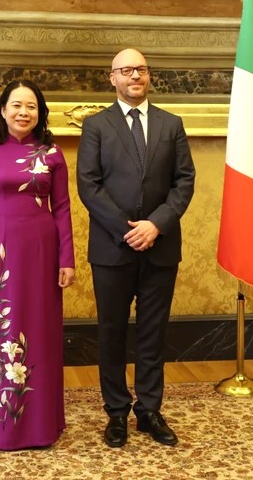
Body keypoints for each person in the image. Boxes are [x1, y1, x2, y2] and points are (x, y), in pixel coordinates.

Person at [76, 48, 195, 448]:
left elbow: (184, 182)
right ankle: (116, 412)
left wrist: (155, 225)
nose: (134, 76)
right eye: (126, 70)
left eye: (141, 69)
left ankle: (149, 410)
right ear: (112, 78)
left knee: (153, 332)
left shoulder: (171, 124)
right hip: (112, 248)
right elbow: (88, 185)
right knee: (111, 332)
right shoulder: (96, 125)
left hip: (160, 246)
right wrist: (127, 230)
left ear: (149, 76)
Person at [0, 79, 76, 450]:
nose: (23, 112)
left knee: (40, 331)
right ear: (2, 110)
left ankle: (42, 425)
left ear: (40, 113)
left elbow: (62, 208)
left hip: (42, 252)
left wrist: (67, 259)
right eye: (16, 105)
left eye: (31, 106)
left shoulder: (52, 154)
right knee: (2, 333)